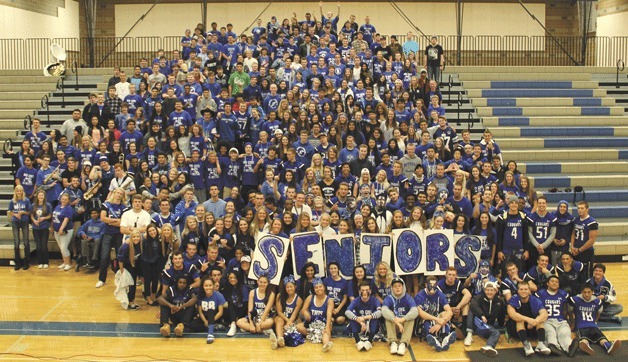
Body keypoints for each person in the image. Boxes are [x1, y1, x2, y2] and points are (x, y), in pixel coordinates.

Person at [568, 284, 622, 356]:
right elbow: (569, 311)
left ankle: (608, 347)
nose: (586, 294)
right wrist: (572, 322)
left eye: (589, 292)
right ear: (581, 292)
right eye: (584, 292)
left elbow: (598, 312)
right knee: (584, 339)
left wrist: (595, 321)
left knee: (601, 338)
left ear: (592, 292)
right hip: (581, 325)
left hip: (593, 325)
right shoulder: (575, 299)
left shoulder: (597, 301)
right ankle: (586, 346)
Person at [506, 281, 550, 356]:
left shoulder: (534, 300)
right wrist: (528, 319)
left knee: (540, 320)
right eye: (521, 289)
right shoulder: (513, 299)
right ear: (518, 291)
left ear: (529, 290)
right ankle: (526, 345)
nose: (524, 291)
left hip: (531, 327)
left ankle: (541, 344)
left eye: (526, 289)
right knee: (519, 320)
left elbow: (545, 314)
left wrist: (535, 321)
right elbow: (512, 314)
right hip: (516, 330)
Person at [415, 276, 457, 351]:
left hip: (437, 320)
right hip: (425, 320)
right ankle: (435, 340)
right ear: (425, 285)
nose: (432, 287)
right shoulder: (420, 295)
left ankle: (445, 339)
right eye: (430, 284)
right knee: (427, 322)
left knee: (445, 314)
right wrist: (437, 319)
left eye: (434, 285)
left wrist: (441, 322)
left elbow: (449, 311)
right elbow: (420, 313)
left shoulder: (439, 294)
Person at [465, 281, 504, 356]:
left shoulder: (499, 301)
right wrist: (482, 315)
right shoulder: (478, 298)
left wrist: (501, 325)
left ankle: (488, 346)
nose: (489, 292)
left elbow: (501, 315)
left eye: (491, 290)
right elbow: (473, 305)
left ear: (496, 291)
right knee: (471, 310)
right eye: (487, 290)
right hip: (477, 323)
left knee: (496, 332)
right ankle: (469, 334)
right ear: (484, 290)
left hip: (487, 326)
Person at [535, 276, 572, 356]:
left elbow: (567, 309)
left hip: (561, 320)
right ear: (547, 283)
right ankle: (553, 346)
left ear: (559, 285)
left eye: (556, 282)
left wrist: (571, 321)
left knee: (564, 333)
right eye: (552, 281)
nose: (554, 283)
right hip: (547, 320)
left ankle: (570, 348)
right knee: (550, 333)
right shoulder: (540, 294)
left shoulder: (563, 294)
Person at [297, 277, 334, 352]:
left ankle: (326, 344)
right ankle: (316, 336)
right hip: (311, 324)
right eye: (316, 287)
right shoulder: (310, 297)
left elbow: (329, 314)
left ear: (324, 287)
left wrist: (327, 327)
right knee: (298, 327)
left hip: (324, 323)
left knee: (326, 332)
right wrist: (306, 313)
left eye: (320, 287)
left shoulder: (329, 300)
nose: (318, 289)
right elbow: (303, 310)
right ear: (313, 289)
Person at [382, 277, 418, 356]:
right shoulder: (389, 298)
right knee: (389, 316)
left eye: (399, 286)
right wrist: (395, 321)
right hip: (394, 325)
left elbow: (415, 311)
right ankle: (393, 342)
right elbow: (384, 310)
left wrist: (402, 319)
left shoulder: (408, 298)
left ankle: (403, 344)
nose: (397, 288)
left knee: (411, 318)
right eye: (395, 286)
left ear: (403, 287)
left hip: (404, 325)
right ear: (392, 288)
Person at [345, 280, 382, 352]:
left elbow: (380, 312)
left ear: (370, 291)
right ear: (359, 291)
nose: (365, 292)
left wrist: (365, 317)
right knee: (353, 316)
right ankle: (357, 341)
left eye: (367, 290)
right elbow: (347, 312)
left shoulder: (374, 300)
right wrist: (360, 321)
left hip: (371, 325)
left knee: (375, 315)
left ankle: (370, 341)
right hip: (360, 325)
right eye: (362, 290)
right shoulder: (356, 300)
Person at [271, 275, 303, 349]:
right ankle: (280, 338)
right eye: (287, 287)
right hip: (282, 318)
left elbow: (294, 314)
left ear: (295, 287)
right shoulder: (279, 296)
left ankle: (277, 342)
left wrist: (289, 322)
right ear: (285, 288)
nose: (289, 289)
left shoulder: (299, 299)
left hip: (293, 320)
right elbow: (279, 312)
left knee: (292, 326)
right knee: (279, 320)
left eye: (291, 287)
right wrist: (287, 321)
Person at [194, 276, 227, 344]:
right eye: (206, 286)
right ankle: (214, 326)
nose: (208, 287)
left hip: (215, 316)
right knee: (193, 325)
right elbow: (200, 312)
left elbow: (220, 312)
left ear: (213, 286)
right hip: (205, 318)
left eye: (210, 285)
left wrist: (211, 320)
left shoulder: (219, 295)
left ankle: (210, 334)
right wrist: (205, 321)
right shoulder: (200, 296)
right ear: (203, 286)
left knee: (210, 311)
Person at [571, 201, 598, 279]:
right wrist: (572, 246)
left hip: (586, 253)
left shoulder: (592, 222)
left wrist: (579, 250)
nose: (580, 210)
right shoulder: (576, 220)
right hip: (575, 251)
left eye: (582, 208)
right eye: (578, 208)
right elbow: (573, 234)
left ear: (587, 209)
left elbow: (591, 240)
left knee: (587, 274)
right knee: (575, 274)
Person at [117, 230, 142, 310]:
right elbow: (120, 260)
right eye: (134, 237)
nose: (136, 238)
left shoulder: (140, 244)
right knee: (130, 285)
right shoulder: (126, 246)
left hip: (135, 266)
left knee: (133, 284)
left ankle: (132, 300)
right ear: (131, 238)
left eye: (138, 236)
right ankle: (129, 302)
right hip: (126, 267)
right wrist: (122, 272)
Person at [8, 185, 31, 270]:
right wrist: (15, 215)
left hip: (24, 221)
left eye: (20, 191)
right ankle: (17, 263)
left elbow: (29, 211)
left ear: (22, 191)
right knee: (16, 242)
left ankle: (26, 262)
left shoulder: (26, 200)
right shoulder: (12, 201)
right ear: (15, 192)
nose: (19, 192)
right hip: (15, 222)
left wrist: (22, 213)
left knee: (26, 241)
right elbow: (10, 211)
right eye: (17, 191)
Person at [31, 190, 52, 269]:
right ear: (37, 196)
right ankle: (40, 262)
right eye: (39, 195)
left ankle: (46, 262)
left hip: (44, 227)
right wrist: (34, 221)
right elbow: (31, 215)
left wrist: (43, 218)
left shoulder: (48, 205)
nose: (41, 197)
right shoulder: (33, 205)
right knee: (38, 246)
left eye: (42, 195)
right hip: (36, 228)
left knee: (44, 245)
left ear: (44, 196)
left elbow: (50, 215)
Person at [52, 193, 74, 271]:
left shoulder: (68, 208)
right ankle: (64, 262)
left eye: (65, 199)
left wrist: (61, 228)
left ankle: (68, 263)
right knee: (61, 247)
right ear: (60, 199)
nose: (64, 200)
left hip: (66, 230)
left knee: (64, 247)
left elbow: (66, 219)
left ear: (68, 201)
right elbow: (53, 217)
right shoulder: (57, 207)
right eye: (63, 199)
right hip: (56, 230)